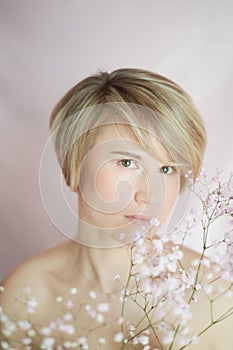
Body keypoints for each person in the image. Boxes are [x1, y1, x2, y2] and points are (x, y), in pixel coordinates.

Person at [0, 68, 232, 349]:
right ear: (75, 166)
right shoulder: (25, 295)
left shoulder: (213, 297)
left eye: (167, 169)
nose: (150, 194)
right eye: (127, 163)